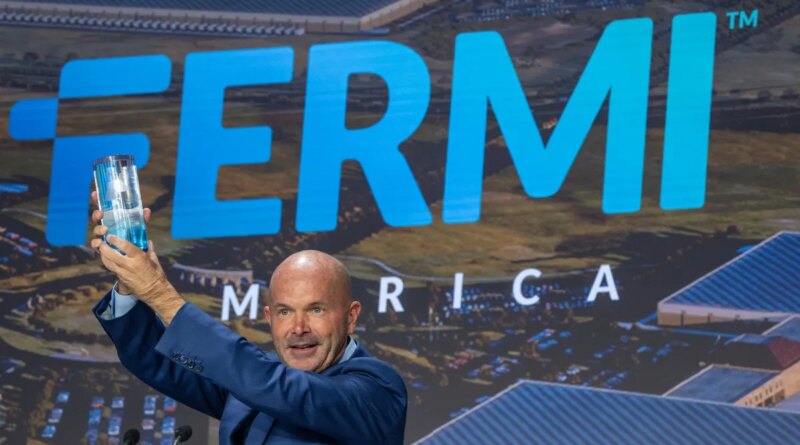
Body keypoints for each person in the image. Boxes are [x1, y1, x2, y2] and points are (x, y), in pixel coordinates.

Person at [89, 192, 407, 444]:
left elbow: (281, 389)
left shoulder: (377, 389)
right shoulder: (252, 382)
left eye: (316, 310)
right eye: (285, 311)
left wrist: (160, 293)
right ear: (269, 317)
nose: (298, 328)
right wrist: (130, 284)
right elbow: (158, 361)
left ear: (351, 317)